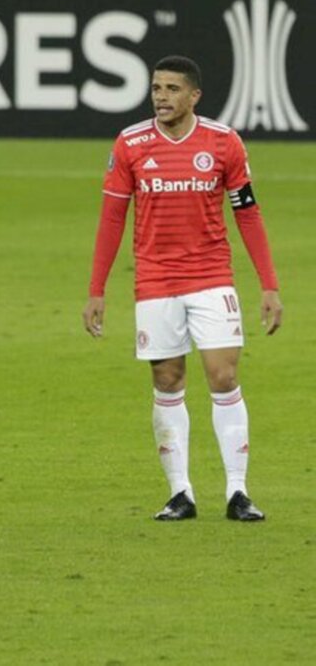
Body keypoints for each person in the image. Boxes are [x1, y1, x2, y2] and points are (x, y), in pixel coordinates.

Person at [82, 55, 282, 522]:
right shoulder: (131, 143)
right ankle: (181, 493)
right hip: (154, 281)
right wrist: (97, 289)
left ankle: (237, 492)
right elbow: (112, 218)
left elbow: (247, 213)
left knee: (224, 377)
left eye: (172, 89)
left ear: (194, 96)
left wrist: (269, 285)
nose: (161, 98)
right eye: (156, 88)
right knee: (167, 381)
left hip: (212, 276)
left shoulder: (224, 142)